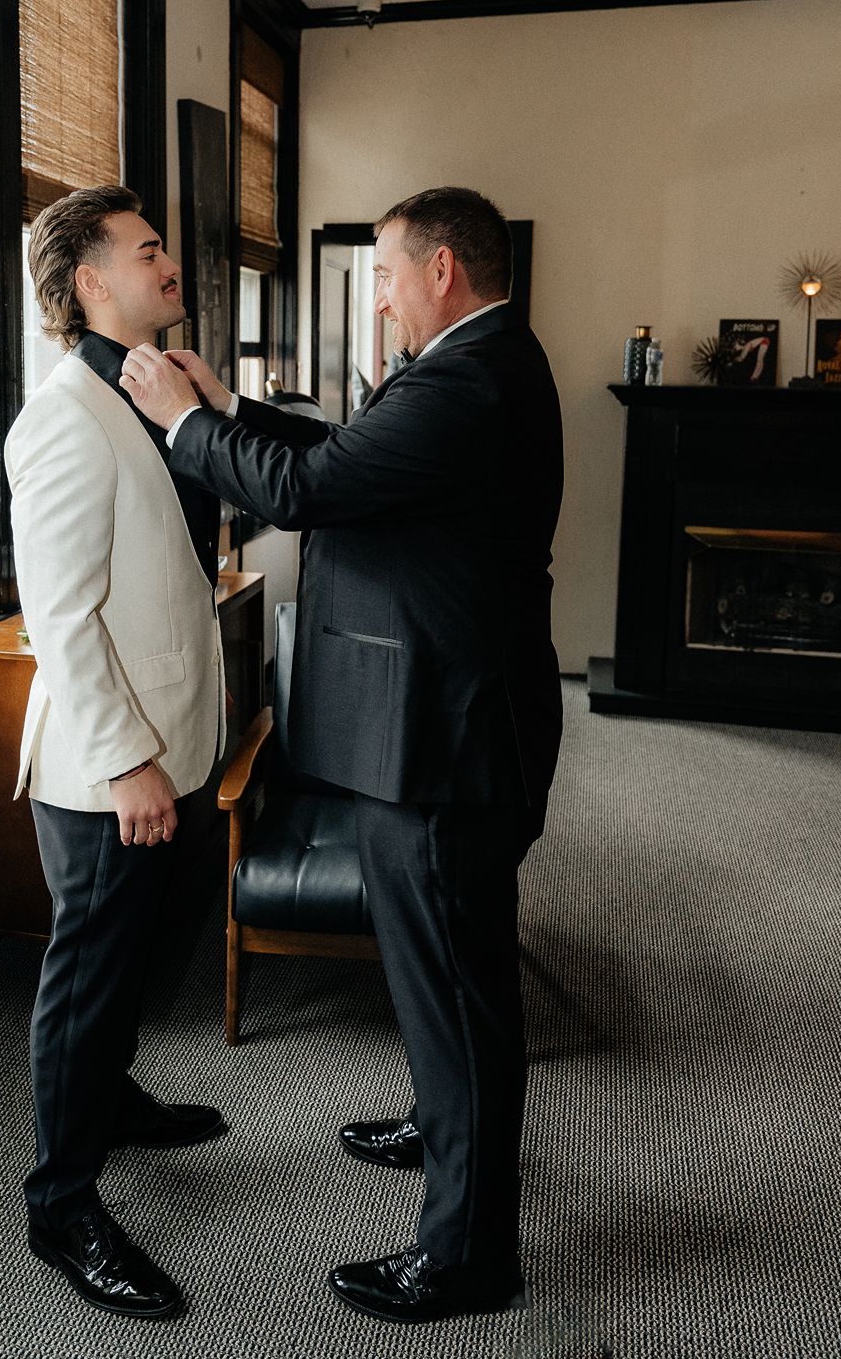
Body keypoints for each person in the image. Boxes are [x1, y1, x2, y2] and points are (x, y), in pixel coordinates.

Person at [121, 186, 564, 1325]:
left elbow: (310, 490)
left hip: (447, 744)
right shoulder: (478, 364)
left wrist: (183, 424)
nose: (380, 297)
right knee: (444, 977)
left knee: (458, 992)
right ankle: (443, 1121)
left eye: (387, 274)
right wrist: (232, 407)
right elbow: (350, 453)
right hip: (446, 725)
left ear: (441, 271)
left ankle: (468, 1258)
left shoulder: (467, 381)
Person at [5, 185, 227, 1321]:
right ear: (91, 282)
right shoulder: (61, 418)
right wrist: (128, 758)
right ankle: (61, 1205)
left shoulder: (150, 388)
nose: (168, 262)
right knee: (87, 981)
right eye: (147, 252)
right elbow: (59, 617)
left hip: (176, 740)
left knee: (143, 952)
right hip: (110, 768)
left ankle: (114, 1098)